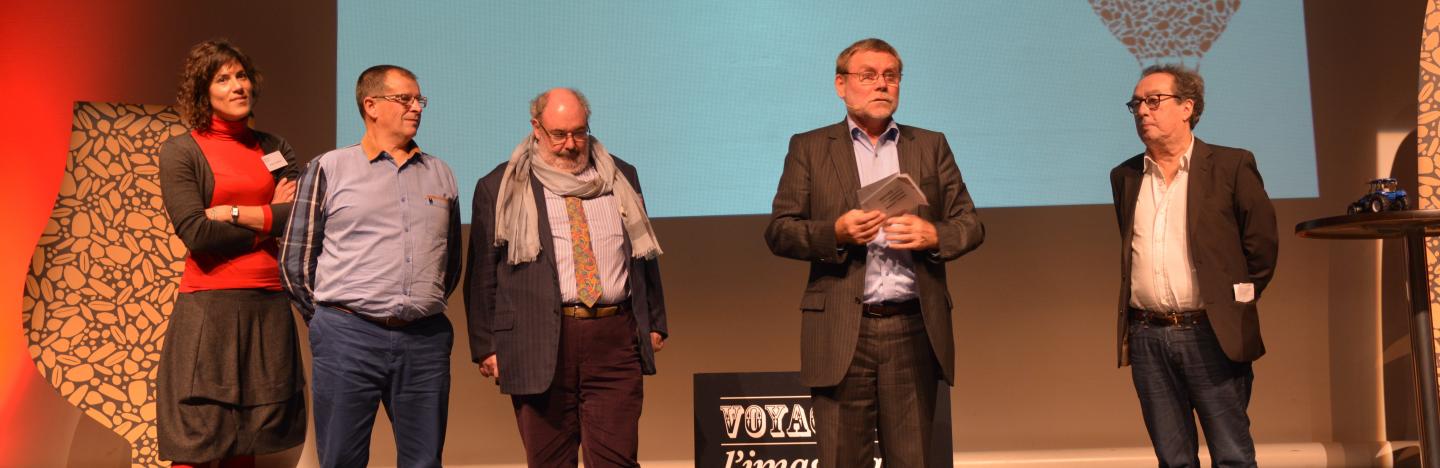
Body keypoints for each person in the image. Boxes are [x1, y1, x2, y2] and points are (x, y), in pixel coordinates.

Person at [764, 38, 983, 468]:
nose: (881, 85)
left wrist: (933, 234)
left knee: (914, 459)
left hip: (912, 328)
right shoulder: (810, 147)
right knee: (843, 459)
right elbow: (780, 231)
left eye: (891, 76)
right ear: (841, 85)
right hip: (843, 330)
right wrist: (836, 232)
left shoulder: (930, 144)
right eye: (868, 76)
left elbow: (970, 224)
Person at [465, 87, 668, 467]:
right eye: (559, 134)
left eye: (579, 132)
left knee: (617, 460)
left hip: (613, 338)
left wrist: (653, 319)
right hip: (536, 339)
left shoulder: (621, 175)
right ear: (536, 128)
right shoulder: (499, 186)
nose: (570, 144)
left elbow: (642, 255)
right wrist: (486, 345)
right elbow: (482, 276)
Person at [280, 65, 461, 468]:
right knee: (342, 458)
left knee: (424, 461)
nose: (417, 108)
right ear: (371, 105)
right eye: (405, 99)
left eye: (420, 100)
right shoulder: (329, 167)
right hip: (348, 337)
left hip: (424, 340)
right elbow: (295, 260)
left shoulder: (441, 173)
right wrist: (330, 318)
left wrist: (416, 302)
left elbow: (449, 266)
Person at [1109, 64, 1278, 467]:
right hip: (1148, 333)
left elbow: (1262, 247)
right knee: (1173, 459)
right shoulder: (1126, 176)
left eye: (1154, 101)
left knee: (1232, 454)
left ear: (1187, 107)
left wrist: (1231, 303)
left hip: (1210, 332)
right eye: (1136, 104)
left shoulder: (1231, 165)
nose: (1142, 112)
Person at [156, 38, 305, 468]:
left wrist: (236, 213)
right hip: (210, 308)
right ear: (204, 92)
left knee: (249, 436)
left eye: (241, 76)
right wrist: (266, 219)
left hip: (268, 304)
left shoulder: (275, 147)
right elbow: (198, 233)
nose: (237, 86)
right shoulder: (183, 151)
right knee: (199, 437)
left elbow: (296, 218)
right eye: (223, 79)